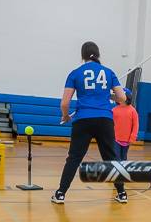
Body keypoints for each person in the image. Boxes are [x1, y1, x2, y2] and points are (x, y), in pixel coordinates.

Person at [52, 41, 127, 204]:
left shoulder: (75, 73)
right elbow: (122, 98)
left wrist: (65, 116)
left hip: (83, 120)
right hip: (104, 120)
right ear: (98, 54)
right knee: (111, 158)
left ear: (82, 55)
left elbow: (64, 103)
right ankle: (121, 193)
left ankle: (60, 193)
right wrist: (109, 96)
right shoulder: (109, 72)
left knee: (74, 158)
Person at [112, 87, 139, 160]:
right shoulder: (114, 110)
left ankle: (122, 171)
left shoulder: (133, 111)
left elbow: (135, 125)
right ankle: (117, 171)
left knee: (123, 158)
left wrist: (133, 137)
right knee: (116, 158)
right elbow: (110, 124)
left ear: (127, 97)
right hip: (115, 139)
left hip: (127, 140)